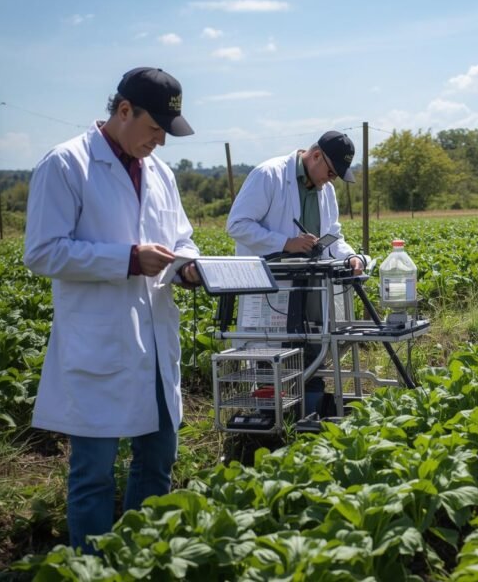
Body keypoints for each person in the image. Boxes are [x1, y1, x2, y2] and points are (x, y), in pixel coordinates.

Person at [23, 67, 201, 553]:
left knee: (157, 458)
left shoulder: (161, 173)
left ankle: (141, 558)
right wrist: (126, 260)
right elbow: (43, 251)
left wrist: (188, 266)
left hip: (156, 340)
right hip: (98, 343)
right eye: (155, 128)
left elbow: (180, 237)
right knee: (94, 473)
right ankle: (91, 565)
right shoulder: (66, 165)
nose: (161, 142)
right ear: (124, 111)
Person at [226, 131, 362, 416]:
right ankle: (270, 418)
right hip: (271, 286)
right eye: (331, 172)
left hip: (311, 285)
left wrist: (349, 256)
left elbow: (332, 235)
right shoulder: (269, 175)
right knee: (270, 353)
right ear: (315, 156)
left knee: (313, 346)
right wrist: (285, 243)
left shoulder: (326, 190)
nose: (331, 179)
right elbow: (237, 224)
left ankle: (310, 412)